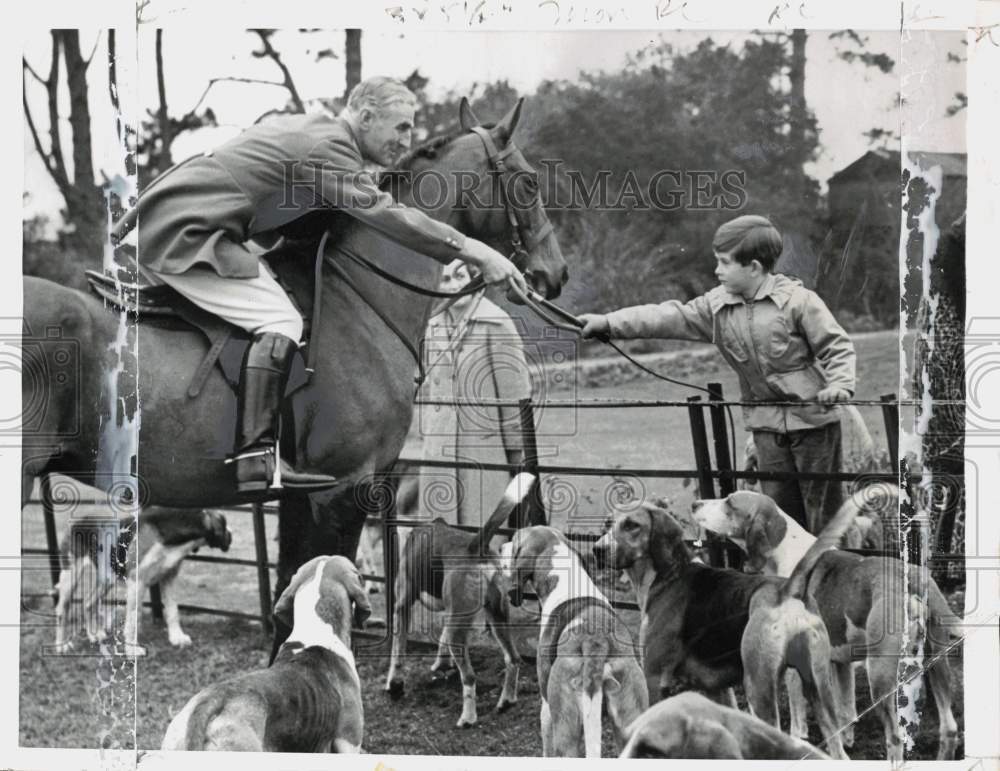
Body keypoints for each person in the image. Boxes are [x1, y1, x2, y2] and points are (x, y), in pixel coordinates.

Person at [118, 76, 527, 495]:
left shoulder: (316, 131)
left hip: (187, 224)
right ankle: (255, 456)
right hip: (183, 233)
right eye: (400, 127)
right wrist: (475, 251)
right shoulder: (329, 146)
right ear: (366, 117)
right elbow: (384, 213)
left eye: (411, 129)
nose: (406, 140)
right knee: (280, 318)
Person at [579, 215, 856, 533]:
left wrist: (840, 383)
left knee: (826, 514)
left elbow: (836, 346)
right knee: (779, 516)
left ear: (753, 267)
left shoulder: (798, 301)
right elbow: (670, 316)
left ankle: (834, 577)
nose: (717, 270)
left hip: (813, 424)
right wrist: (609, 323)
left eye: (724, 263)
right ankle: (787, 580)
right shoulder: (717, 307)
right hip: (766, 426)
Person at [415, 260, 531, 526]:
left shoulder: (496, 323)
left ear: (475, 278)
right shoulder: (431, 325)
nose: (455, 286)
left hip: (484, 451)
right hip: (438, 454)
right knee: (437, 541)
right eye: (445, 280)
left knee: (483, 537)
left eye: (460, 276)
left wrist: (517, 456)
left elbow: (515, 397)